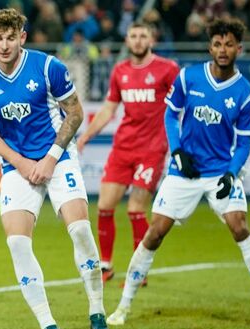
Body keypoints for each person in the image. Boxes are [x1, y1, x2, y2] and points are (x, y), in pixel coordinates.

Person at [0, 9, 112, 329]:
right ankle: (49, 328)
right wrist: (18, 161)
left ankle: (97, 312)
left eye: (10, 38)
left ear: (22, 38)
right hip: (16, 166)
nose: (4, 45)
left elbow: (75, 113)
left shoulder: (48, 68)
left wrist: (50, 158)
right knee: (17, 243)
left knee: (78, 229)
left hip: (57, 158)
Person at [107, 18, 250, 326]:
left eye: (229, 44)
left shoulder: (245, 93)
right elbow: (170, 116)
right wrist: (177, 151)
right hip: (183, 173)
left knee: (239, 226)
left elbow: (243, 144)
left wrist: (231, 173)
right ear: (210, 46)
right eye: (217, 44)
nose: (223, 49)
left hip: (219, 171)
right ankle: (123, 307)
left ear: (238, 49)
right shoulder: (189, 77)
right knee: (155, 233)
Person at [76, 22, 179, 284]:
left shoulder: (167, 69)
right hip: (123, 147)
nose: (137, 40)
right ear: (127, 40)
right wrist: (86, 136)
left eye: (143, 35)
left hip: (152, 150)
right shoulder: (120, 71)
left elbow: (182, 106)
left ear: (151, 39)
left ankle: (139, 270)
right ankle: (106, 265)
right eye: (133, 36)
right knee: (104, 206)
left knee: (135, 209)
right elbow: (109, 109)